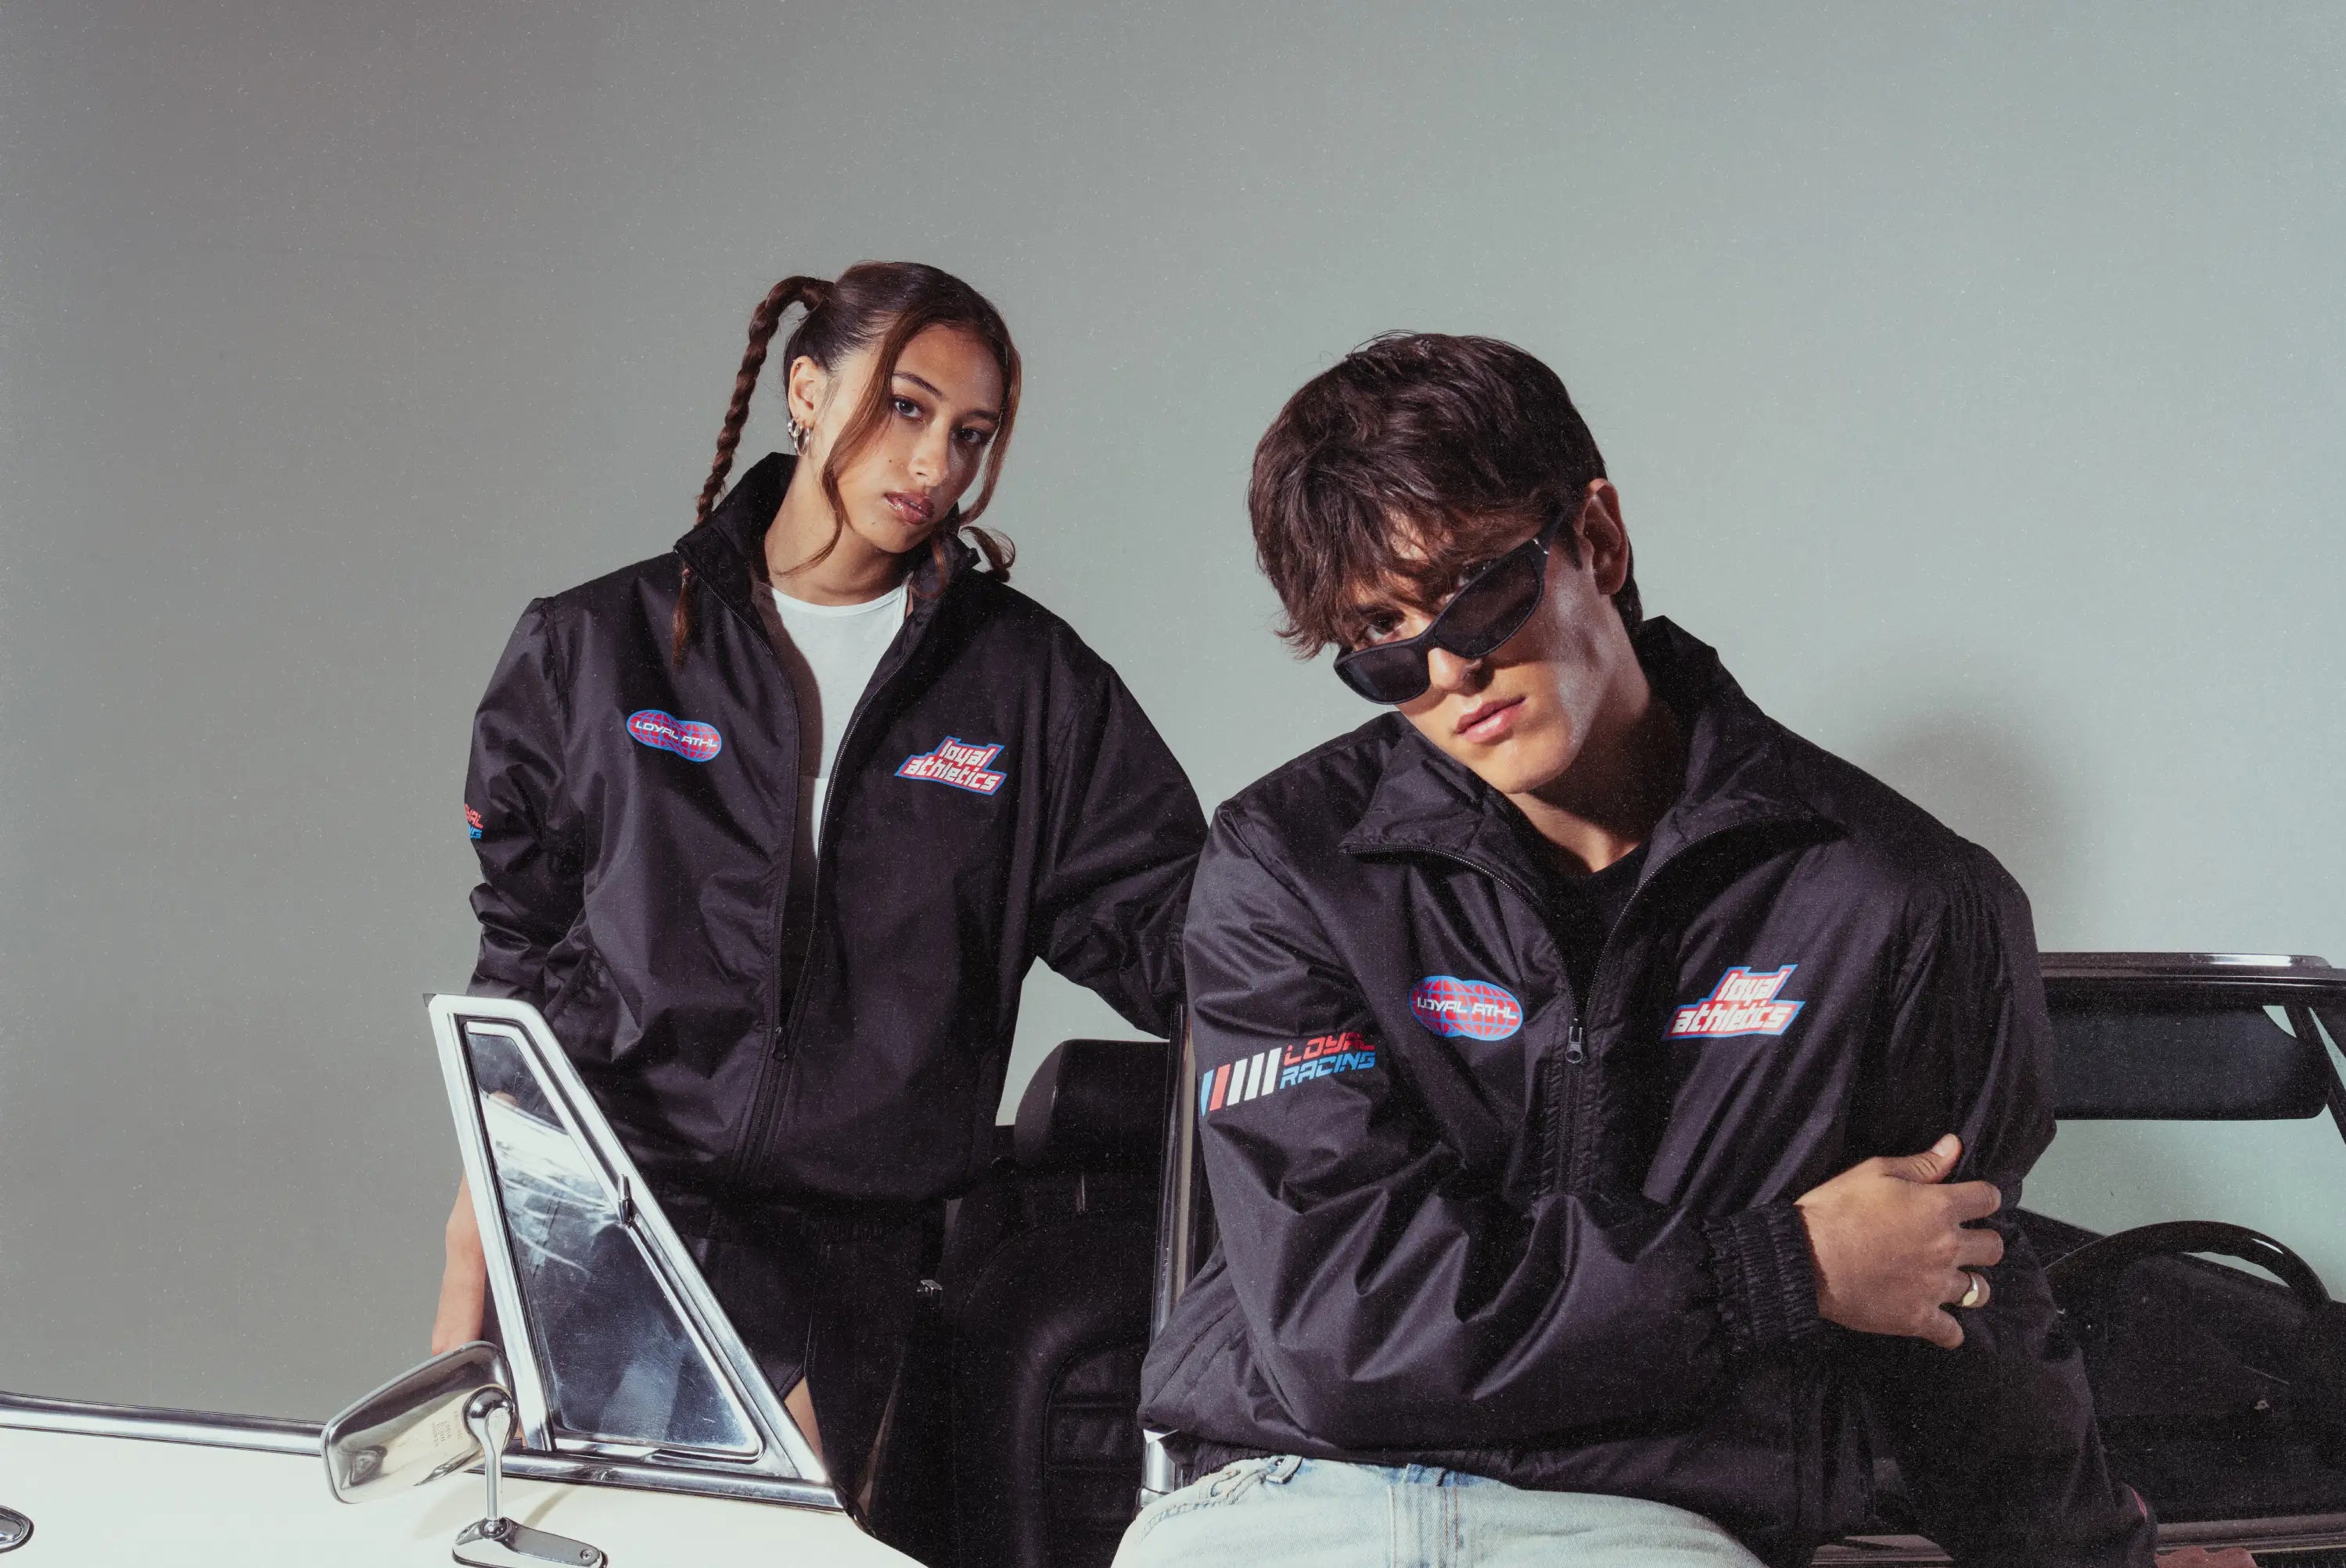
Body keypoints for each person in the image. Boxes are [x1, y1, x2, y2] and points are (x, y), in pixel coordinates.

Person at [1121, 333, 2159, 1568]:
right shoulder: (1288, 865)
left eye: (1477, 590)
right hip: (1291, 1492)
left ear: (1599, 539)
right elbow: (1347, 1321)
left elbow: (1961, 1305)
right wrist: (1788, 1265)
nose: (1450, 669)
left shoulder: (1899, 900)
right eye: (1383, 636)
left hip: (1649, 1522)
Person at [432, 262, 1205, 1505]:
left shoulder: (1026, 688)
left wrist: (1368, 980)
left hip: (857, 1254)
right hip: (607, 1216)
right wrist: (483, 1210)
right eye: (905, 407)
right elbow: (519, 953)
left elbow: (1180, 932)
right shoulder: (598, 646)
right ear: (806, 389)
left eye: (971, 434)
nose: (936, 463)